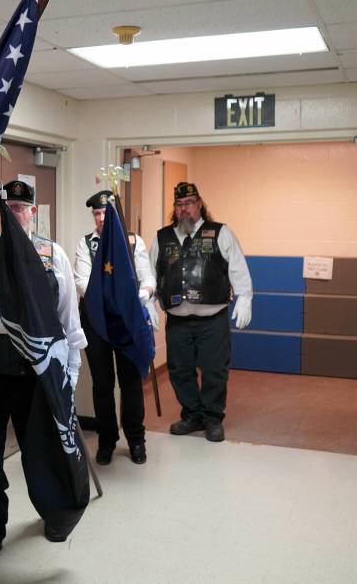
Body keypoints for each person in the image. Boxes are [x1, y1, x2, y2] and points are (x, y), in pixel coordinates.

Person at [0, 180, 86, 572]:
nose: (15, 212)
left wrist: (69, 373)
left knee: (42, 453)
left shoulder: (53, 256)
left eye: (21, 207)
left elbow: (69, 321)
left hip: (36, 375)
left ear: (34, 212)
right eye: (8, 206)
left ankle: (54, 514)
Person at [149, 182, 252, 443]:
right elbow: (150, 275)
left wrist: (245, 297)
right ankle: (192, 415)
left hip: (212, 320)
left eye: (190, 203)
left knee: (214, 370)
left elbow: (237, 268)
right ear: (175, 208)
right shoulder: (162, 238)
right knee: (179, 370)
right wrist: (147, 303)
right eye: (179, 204)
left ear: (200, 204)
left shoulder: (220, 233)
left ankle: (212, 418)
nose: (185, 209)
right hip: (178, 321)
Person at [73, 190, 158, 465]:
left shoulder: (133, 243)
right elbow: (83, 284)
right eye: (96, 214)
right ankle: (107, 440)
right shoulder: (85, 244)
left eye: (104, 213)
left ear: (115, 215)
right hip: (97, 321)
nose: (100, 218)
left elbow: (148, 279)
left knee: (131, 381)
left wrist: (141, 297)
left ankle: (136, 440)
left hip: (126, 322)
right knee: (103, 384)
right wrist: (111, 299)